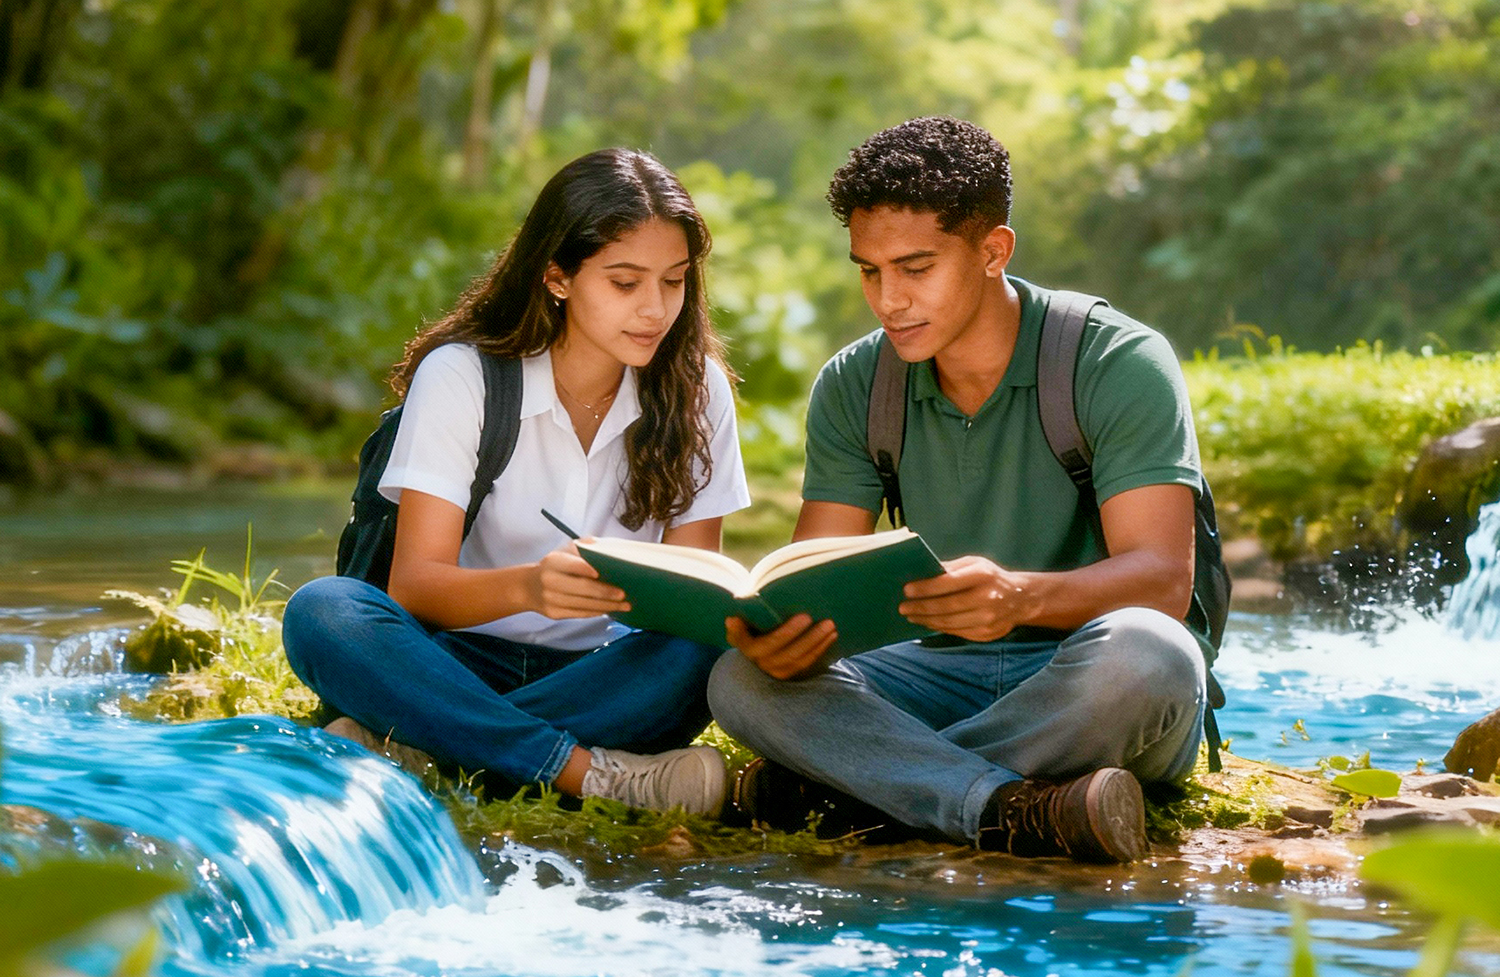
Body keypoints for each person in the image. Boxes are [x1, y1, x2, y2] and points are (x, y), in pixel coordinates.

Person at [707, 117, 1209, 862]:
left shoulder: (1118, 360)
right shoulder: (854, 384)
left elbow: (1164, 581)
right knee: (738, 680)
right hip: (932, 671)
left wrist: (1020, 597)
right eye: (869, 271)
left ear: (992, 251)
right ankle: (1007, 808)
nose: (888, 299)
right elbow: (811, 580)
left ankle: (860, 786)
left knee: (1149, 655)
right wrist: (784, 634)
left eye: (915, 268)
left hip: (1087, 675)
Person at [283, 148, 749, 816]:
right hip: (454, 662)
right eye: (625, 283)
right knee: (323, 611)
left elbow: (695, 592)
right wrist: (530, 586)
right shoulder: (464, 375)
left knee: (710, 641)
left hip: (608, 677)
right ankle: (587, 775)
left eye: (673, 282)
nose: (655, 309)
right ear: (557, 276)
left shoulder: (696, 389)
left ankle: (432, 747)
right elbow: (416, 585)